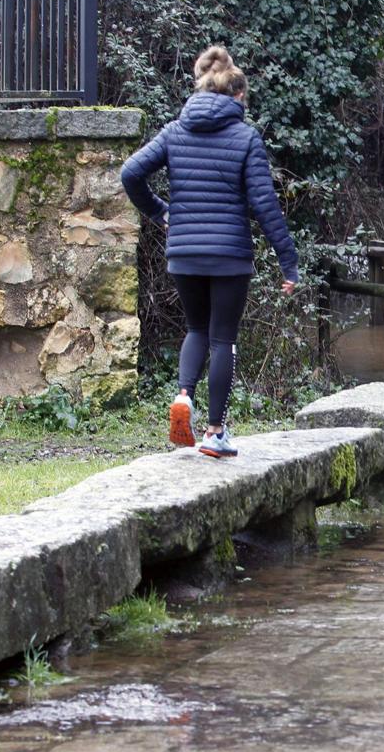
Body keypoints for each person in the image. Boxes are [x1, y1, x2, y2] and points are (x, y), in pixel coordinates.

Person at [121, 45, 298, 459]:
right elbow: (264, 204)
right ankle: (214, 432)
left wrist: (161, 213)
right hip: (229, 255)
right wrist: (287, 261)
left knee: (196, 330)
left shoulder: (174, 131)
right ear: (237, 96)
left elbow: (130, 172)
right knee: (223, 340)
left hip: (183, 252)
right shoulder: (245, 137)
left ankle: (183, 395)